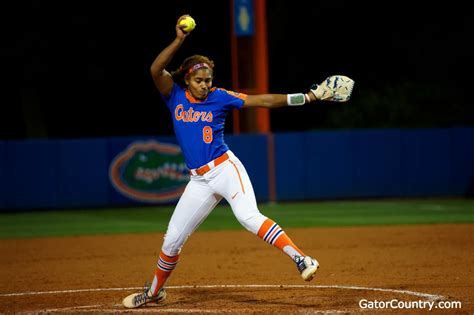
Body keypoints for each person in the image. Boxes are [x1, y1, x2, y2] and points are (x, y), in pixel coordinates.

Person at [123, 15, 320, 309]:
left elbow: (263, 101)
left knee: (247, 217)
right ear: (186, 79)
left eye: (208, 80)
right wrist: (179, 40)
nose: (205, 85)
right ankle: (154, 292)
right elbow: (154, 70)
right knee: (172, 240)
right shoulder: (174, 95)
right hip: (198, 180)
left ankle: (301, 258)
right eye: (199, 80)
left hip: (225, 168)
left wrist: (307, 97)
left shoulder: (220, 97)